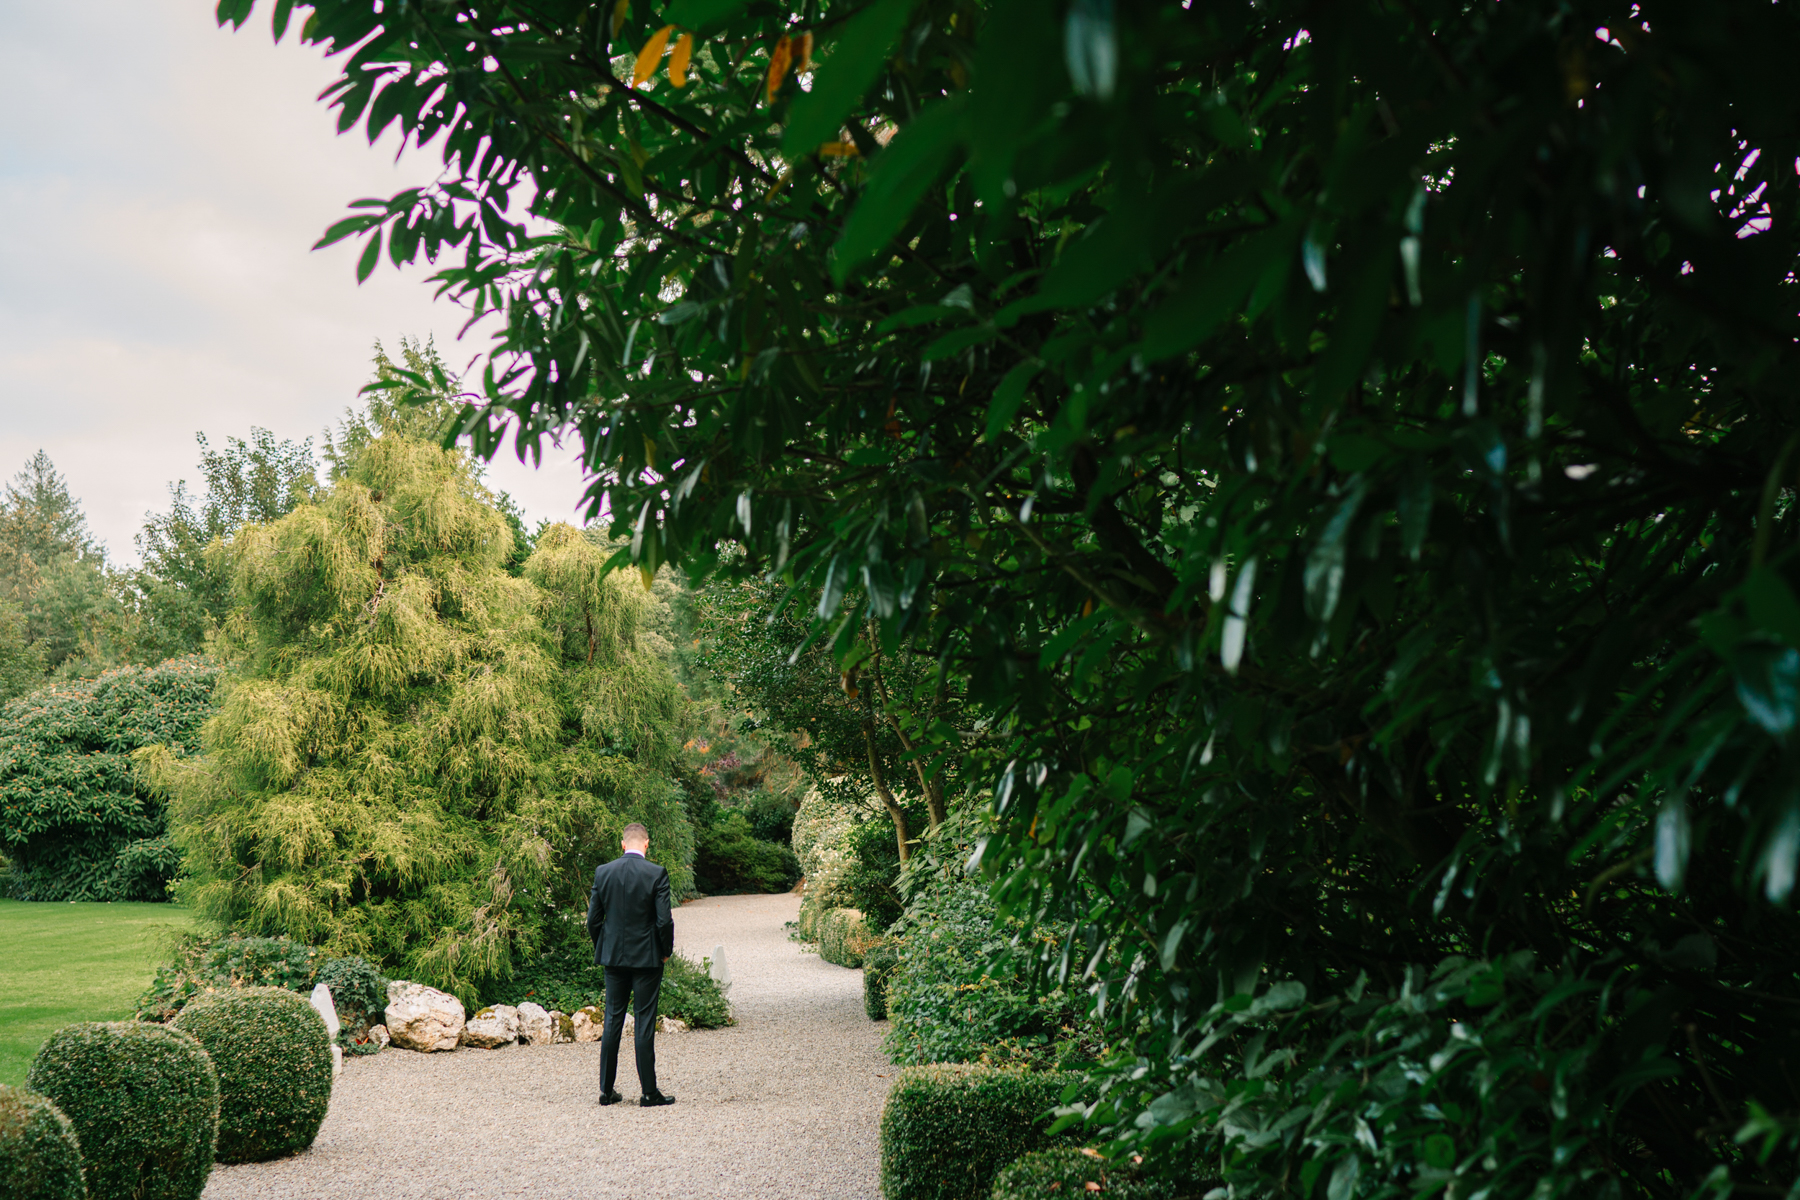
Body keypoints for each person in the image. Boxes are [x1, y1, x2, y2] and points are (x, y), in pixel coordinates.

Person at [586, 821, 676, 1107]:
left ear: (623, 844)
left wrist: (604, 946)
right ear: (646, 843)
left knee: (612, 1018)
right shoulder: (656, 873)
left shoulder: (604, 872)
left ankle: (605, 1090)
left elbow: (592, 921)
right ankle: (649, 1093)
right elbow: (664, 921)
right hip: (648, 958)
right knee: (644, 1022)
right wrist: (666, 951)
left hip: (613, 957)